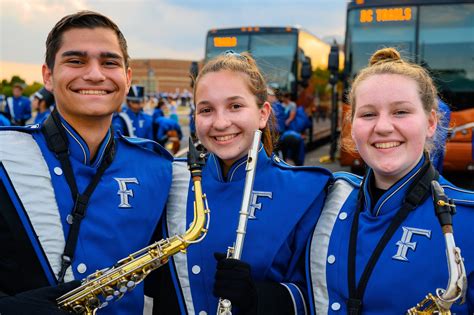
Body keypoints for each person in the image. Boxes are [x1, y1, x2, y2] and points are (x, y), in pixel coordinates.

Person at [0, 11, 173, 315]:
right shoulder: (6, 157)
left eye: (109, 62)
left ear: (128, 78)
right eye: (76, 61)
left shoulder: (159, 167)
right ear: (48, 76)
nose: (95, 74)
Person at [145, 51, 332, 314]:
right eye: (206, 110)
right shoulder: (170, 179)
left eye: (235, 106)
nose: (221, 123)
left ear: (263, 113)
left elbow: (321, 296)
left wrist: (258, 297)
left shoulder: (307, 190)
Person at [307, 47, 474, 314]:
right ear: (352, 124)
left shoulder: (468, 219)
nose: (383, 127)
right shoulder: (324, 202)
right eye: (368, 114)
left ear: (431, 122)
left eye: (400, 112)